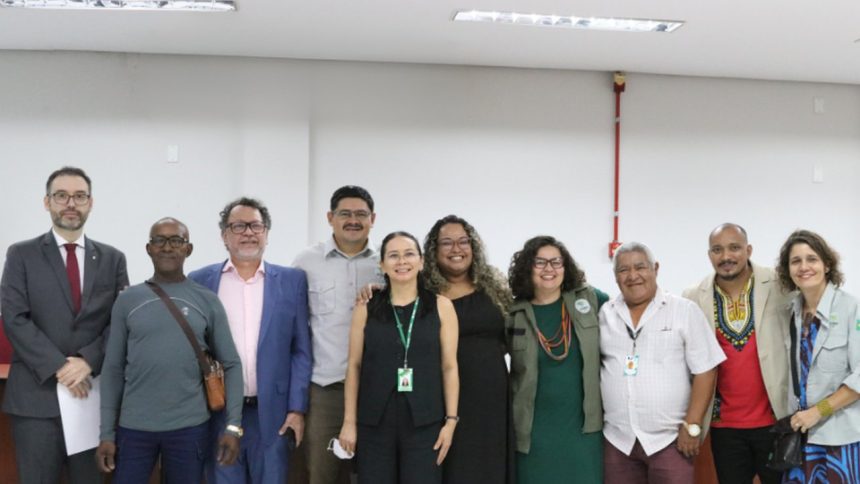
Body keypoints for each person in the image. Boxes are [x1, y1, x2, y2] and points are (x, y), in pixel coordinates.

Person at [0, 166, 128, 483]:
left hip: (92, 398)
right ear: (47, 202)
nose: (71, 203)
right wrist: (60, 366)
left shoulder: (113, 259)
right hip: (36, 400)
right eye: (61, 196)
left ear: (90, 203)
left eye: (79, 196)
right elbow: (14, 317)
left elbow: (119, 321)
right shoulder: (21, 254)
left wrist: (88, 361)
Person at [96, 217, 244, 483]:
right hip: (134, 428)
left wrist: (233, 426)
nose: (167, 247)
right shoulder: (127, 300)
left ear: (188, 249)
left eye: (176, 240)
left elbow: (231, 364)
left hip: (189, 428)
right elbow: (113, 369)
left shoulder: (207, 300)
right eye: (159, 240)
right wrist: (106, 433)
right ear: (148, 248)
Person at [189, 197, 312, 483]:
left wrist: (297, 408)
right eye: (238, 226)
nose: (248, 233)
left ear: (266, 233)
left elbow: (301, 350)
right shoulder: (201, 280)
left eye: (256, 226)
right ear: (224, 236)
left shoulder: (292, 281)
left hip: (273, 414)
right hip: (219, 411)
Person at [338, 231, 459, 484]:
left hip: (425, 422)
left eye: (409, 254)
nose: (402, 261)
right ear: (382, 265)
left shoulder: (441, 306)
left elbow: (449, 367)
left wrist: (450, 421)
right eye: (393, 256)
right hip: (374, 421)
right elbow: (354, 366)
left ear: (421, 261)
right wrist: (349, 422)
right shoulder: (366, 307)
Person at [600, 242, 725, 484]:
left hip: (671, 441)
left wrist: (692, 425)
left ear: (655, 268)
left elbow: (706, 370)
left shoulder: (684, 311)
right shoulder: (605, 315)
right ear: (615, 276)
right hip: (618, 442)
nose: (633, 276)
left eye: (640, 267)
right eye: (624, 270)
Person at [683, 223, 790, 484]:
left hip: (776, 420)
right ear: (709, 255)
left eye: (734, 248)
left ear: (748, 250)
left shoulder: (779, 284)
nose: (726, 256)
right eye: (717, 250)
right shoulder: (693, 296)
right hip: (725, 427)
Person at [292, 185, 383, 484]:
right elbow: (292, 324)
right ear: (330, 217)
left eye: (361, 214)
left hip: (377, 388)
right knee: (322, 473)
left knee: (376, 472)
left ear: (373, 219)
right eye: (345, 213)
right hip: (325, 388)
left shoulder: (387, 262)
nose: (353, 220)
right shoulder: (306, 262)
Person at [506, 235, 607, 484]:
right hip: (533, 435)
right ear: (528, 267)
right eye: (540, 262)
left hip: (583, 431)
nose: (549, 269)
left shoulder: (591, 299)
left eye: (556, 262)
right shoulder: (512, 313)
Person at [422, 215, 513, 484]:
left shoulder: (493, 285)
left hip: (492, 397)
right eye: (447, 243)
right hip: (443, 398)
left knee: (489, 466)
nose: (456, 249)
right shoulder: (422, 290)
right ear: (434, 250)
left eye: (463, 241)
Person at [777, 230, 860, 484]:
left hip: (840, 439)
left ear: (827, 265)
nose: (804, 267)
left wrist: (818, 411)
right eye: (796, 261)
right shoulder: (789, 311)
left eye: (812, 259)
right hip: (800, 437)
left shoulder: (851, 308)